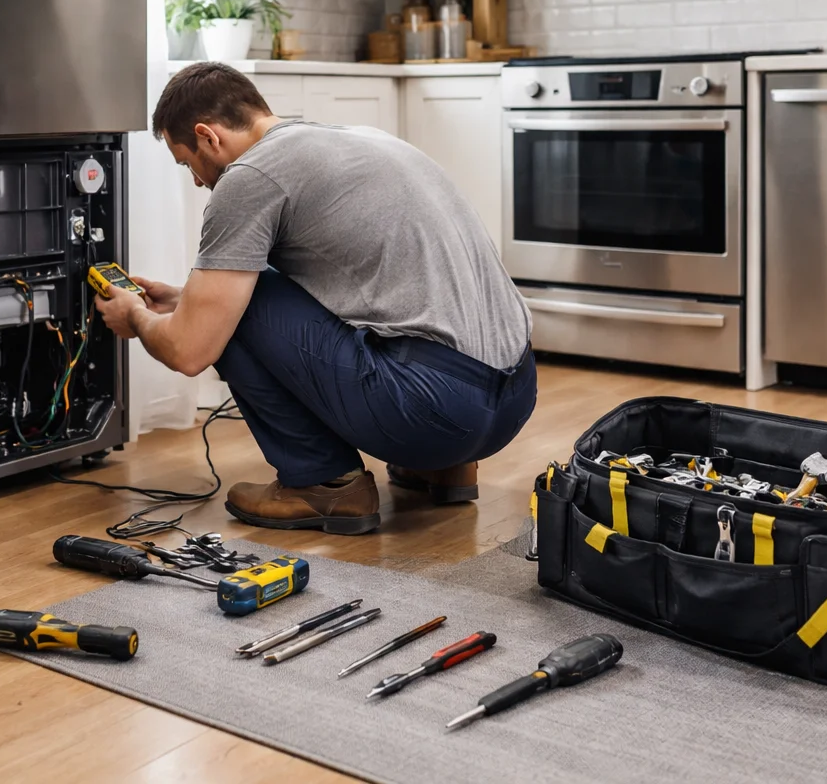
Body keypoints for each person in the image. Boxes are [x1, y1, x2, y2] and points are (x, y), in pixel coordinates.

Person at [95, 62, 536, 535]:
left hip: (434, 412)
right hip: (512, 400)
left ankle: (324, 482)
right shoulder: (363, 140)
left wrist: (135, 316)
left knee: (242, 304)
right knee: (248, 296)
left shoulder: (250, 177)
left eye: (188, 164)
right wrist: (185, 299)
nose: (198, 182)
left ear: (208, 136)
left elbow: (189, 350)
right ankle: (447, 468)